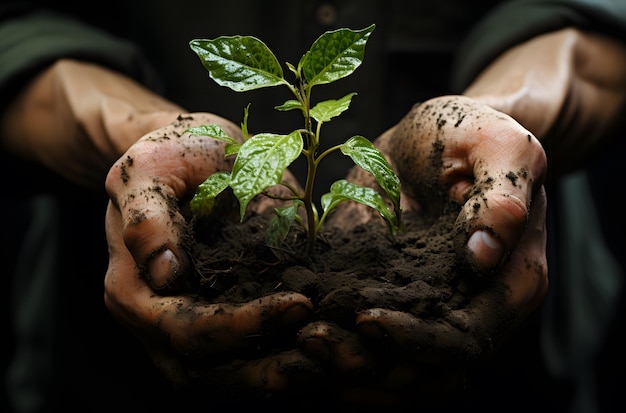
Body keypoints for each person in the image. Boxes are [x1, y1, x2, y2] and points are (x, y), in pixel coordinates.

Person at [1, 0, 625, 411]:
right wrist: (137, 140)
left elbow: (597, 30)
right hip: (109, 377)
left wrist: (498, 124)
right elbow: (20, 30)